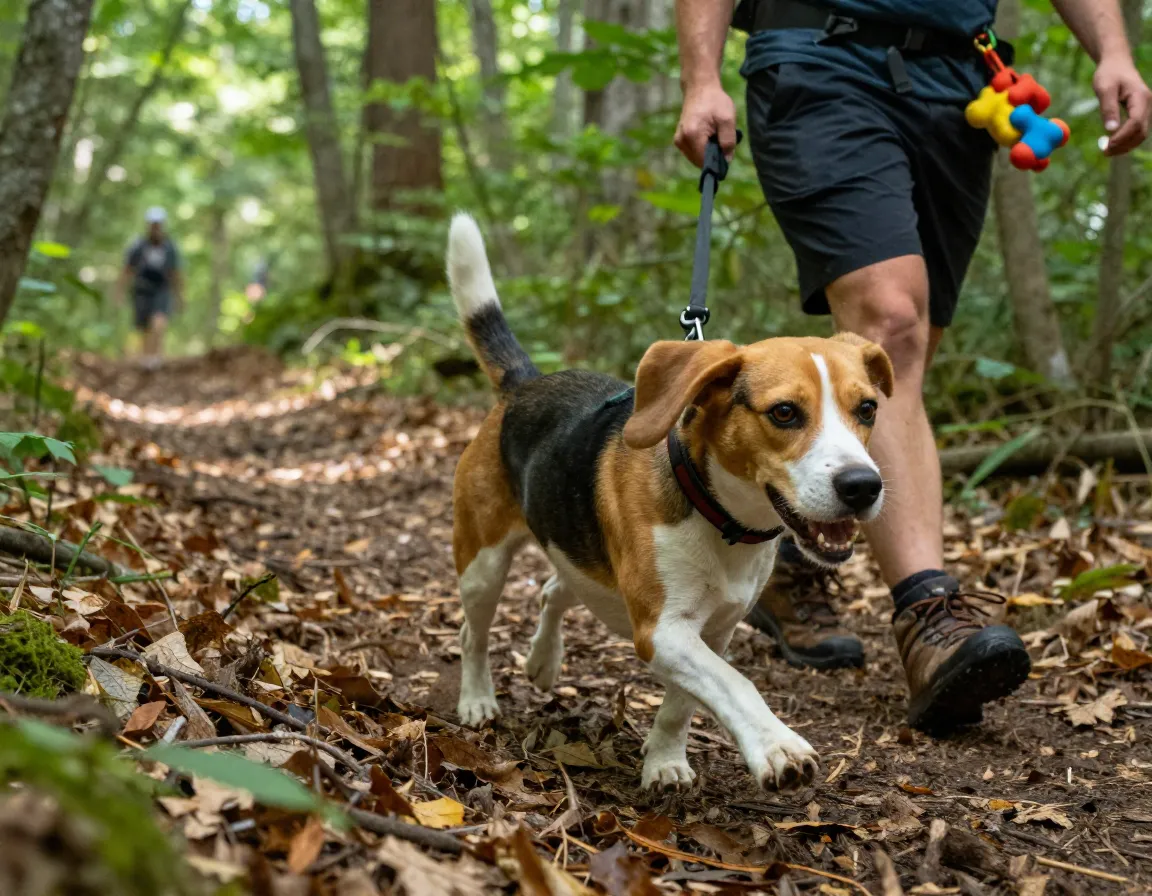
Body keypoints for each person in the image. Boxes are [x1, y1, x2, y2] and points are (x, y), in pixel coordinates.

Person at [673, 0, 1151, 733]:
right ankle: (928, 614)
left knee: (910, 349)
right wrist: (701, 74)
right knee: (890, 319)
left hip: (960, 79)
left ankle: (794, 541)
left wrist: (1111, 49)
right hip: (815, 53)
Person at [115, 207, 183, 369]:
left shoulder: (170, 248)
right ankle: (146, 357)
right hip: (142, 290)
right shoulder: (138, 246)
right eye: (153, 224)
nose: (156, 228)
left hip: (162, 289)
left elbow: (175, 273)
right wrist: (119, 291)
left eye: (158, 224)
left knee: (159, 322)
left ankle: (155, 356)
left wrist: (179, 295)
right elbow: (127, 270)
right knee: (144, 326)